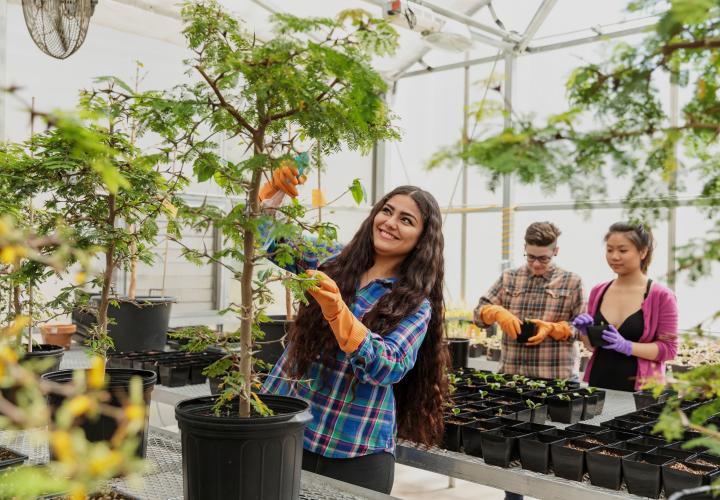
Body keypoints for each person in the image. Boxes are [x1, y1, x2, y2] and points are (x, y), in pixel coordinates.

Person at [259, 165, 449, 494]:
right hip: (285, 427)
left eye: (406, 220)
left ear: (422, 239)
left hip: (353, 447)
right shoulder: (332, 259)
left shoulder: (416, 304)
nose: (390, 222)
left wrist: (339, 314)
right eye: (387, 211)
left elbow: (387, 365)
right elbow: (268, 238)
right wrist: (272, 191)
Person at [473, 221, 585, 381]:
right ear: (524, 248)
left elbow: (582, 329)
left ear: (556, 251)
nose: (536, 264)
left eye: (543, 259)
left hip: (556, 379)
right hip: (512, 377)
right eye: (531, 257)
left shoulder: (572, 282)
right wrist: (496, 312)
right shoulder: (509, 278)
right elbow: (478, 314)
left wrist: (554, 329)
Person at [572, 222, 678, 391]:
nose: (614, 256)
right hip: (599, 383)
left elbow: (669, 350)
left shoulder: (661, 295)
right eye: (609, 250)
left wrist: (627, 346)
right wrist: (585, 332)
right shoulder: (599, 291)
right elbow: (593, 346)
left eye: (622, 250)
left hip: (641, 390)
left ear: (643, 252)